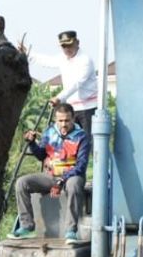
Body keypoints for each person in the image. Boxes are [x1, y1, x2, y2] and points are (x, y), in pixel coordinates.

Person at [8, 102, 90, 243]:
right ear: (55, 120)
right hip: (50, 175)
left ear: (73, 119)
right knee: (22, 182)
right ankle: (27, 226)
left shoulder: (82, 137)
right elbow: (41, 155)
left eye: (67, 120)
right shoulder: (49, 132)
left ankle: (71, 230)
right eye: (60, 121)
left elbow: (81, 166)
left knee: (74, 185)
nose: (64, 125)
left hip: (71, 177)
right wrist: (32, 143)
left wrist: (62, 180)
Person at [24, 30, 98, 135]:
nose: (67, 49)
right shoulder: (62, 58)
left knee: (87, 144)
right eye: (64, 46)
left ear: (77, 42)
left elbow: (76, 84)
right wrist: (27, 53)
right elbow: (46, 60)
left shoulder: (85, 60)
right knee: (69, 143)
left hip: (87, 108)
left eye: (69, 45)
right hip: (71, 110)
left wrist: (59, 97)